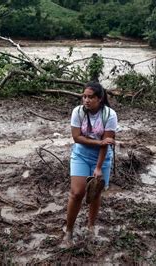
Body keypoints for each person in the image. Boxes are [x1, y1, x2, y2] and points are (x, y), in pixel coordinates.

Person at [65, 81, 118, 244]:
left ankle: (90, 228)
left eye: (90, 97)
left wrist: (98, 167)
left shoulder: (109, 115)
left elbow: (107, 143)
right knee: (77, 193)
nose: (86, 100)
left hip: (102, 157)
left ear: (100, 99)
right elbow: (76, 138)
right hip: (80, 154)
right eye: (84, 96)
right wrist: (98, 142)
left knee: (95, 194)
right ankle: (69, 231)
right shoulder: (78, 112)